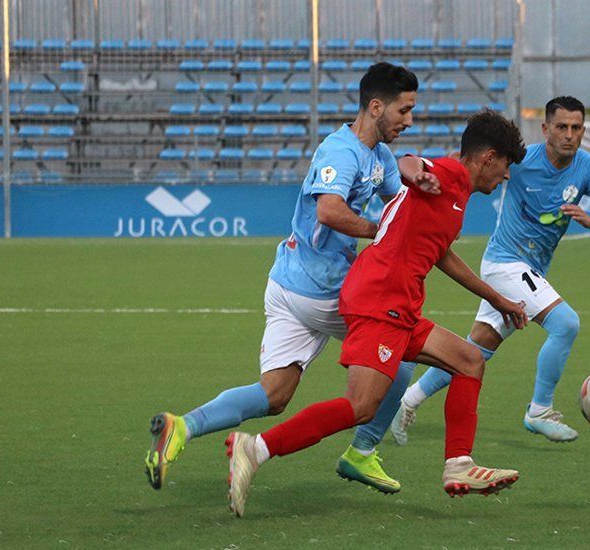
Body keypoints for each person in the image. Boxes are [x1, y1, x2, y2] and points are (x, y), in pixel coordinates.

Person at [225, 109, 528, 517]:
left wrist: (499, 299)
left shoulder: (457, 199)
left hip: (398, 304)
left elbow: (442, 256)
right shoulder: (449, 175)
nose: (506, 177)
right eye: (506, 166)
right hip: (380, 301)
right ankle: (256, 448)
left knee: (470, 360)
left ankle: (459, 464)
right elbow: (409, 163)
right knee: (361, 407)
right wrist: (414, 173)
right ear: (489, 157)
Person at [145, 62, 421, 494]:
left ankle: (183, 427)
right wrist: (379, 232)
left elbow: (400, 203)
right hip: (321, 290)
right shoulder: (340, 151)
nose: (409, 120)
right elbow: (330, 210)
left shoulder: (380, 156)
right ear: (375, 106)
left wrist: (415, 169)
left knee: (274, 395)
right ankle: (362, 452)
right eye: (403, 111)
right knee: (400, 352)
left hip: (287, 283)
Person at [391, 95, 590, 445]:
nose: (569, 135)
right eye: (561, 127)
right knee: (565, 323)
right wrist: (425, 175)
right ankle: (539, 410)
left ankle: (408, 401)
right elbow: (471, 167)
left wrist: (588, 219)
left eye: (576, 128)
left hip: (531, 270)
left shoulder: (588, 168)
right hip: (505, 263)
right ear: (545, 129)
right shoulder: (521, 160)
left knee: (474, 351)